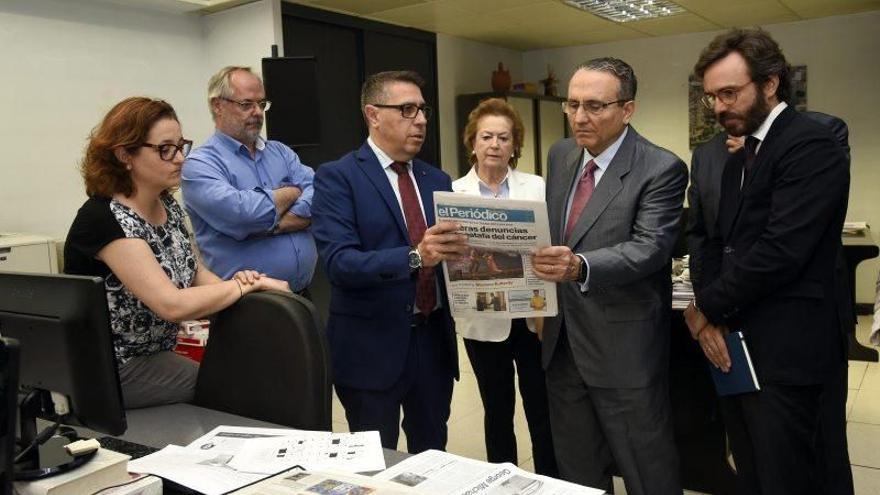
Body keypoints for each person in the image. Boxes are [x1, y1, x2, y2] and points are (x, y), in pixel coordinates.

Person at [685, 28, 850, 495]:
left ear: (771, 83)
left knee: (792, 475)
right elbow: (716, 241)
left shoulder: (811, 145)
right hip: (738, 347)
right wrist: (710, 319)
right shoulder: (740, 154)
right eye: (712, 97)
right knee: (752, 471)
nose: (718, 107)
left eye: (730, 93)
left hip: (789, 352)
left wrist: (706, 309)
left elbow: (782, 251)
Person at [64, 97, 290, 409]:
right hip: (114, 368)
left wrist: (247, 282)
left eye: (181, 145)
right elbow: (170, 304)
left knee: (251, 370)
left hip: (155, 356)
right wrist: (241, 287)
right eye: (165, 149)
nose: (180, 158)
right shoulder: (105, 219)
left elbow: (195, 273)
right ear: (124, 154)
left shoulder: (166, 205)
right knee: (238, 384)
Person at [531, 57, 687, 494]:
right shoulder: (561, 155)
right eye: (573, 104)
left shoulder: (660, 168)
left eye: (595, 106)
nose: (580, 117)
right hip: (562, 344)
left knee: (645, 468)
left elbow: (650, 247)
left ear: (628, 109)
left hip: (624, 349)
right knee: (577, 469)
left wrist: (580, 266)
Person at [311, 71, 468, 453]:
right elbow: (340, 263)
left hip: (433, 341)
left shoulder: (438, 179)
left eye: (423, 110)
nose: (422, 120)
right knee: (375, 464)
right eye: (407, 109)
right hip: (370, 347)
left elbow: (449, 257)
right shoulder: (338, 177)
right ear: (373, 114)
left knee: (432, 456)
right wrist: (416, 256)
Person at [451, 97, 557, 476]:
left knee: (541, 408)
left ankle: (550, 480)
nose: (495, 144)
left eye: (504, 137)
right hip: (483, 324)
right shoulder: (452, 194)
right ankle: (504, 480)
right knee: (497, 411)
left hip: (533, 320)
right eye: (487, 137)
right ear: (473, 143)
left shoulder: (537, 187)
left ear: (515, 146)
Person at [181, 66, 316, 294]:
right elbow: (242, 216)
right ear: (217, 106)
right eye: (246, 104)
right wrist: (293, 192)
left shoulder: (281, 152)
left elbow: (322, 194)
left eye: (261, 104)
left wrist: (275, 224)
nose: (257, 112)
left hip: (302, 294)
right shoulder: (199, 164)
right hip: (248, 304)